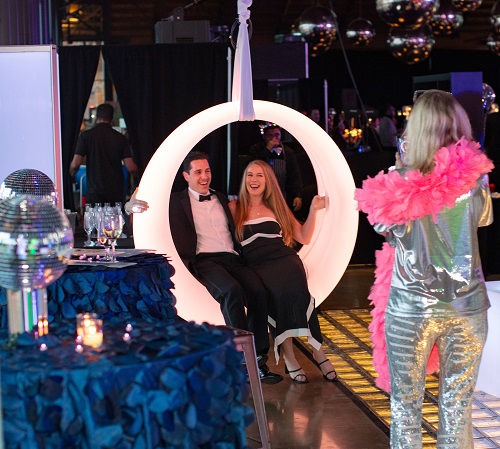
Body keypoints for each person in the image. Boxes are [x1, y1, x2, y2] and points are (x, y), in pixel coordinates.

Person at [355, 90, 493, 449]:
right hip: (467, 307)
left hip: (411, 310)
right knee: (457, 407)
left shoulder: (395, 183)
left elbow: (383, 229)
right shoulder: (475, 178)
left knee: (405, 407)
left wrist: (403, 165)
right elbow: (484, 219)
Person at [124, 151, 283, 384]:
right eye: (198, 172)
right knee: (231, 291)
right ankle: (239, 359)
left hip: (233, 258)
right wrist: (129, 207)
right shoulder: (174, 202)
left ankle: (258, 359)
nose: (204, 176)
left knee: (259, 292)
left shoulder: (221, 198)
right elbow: (140, 213)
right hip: (205, 261)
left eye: (207, 171)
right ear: (186, 176)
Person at [229, 159, 337, 384]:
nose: (254, 180)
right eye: (250, 175)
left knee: (299, 295)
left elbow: (303, 237)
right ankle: (289, 357)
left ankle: (317, 351)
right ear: (244, 179)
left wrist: (313, 210)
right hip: (258, 266)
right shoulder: (234, 208)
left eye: (260, 175)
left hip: (285, 260)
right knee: (274, 298)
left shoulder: (276, 206)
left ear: (268, 181)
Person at [69, 103, 139, 206]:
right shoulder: (120, 138)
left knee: (95, 221)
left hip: (94, 191)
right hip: (115, 192)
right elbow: (131, 167)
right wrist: (140, 176)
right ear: (111, 119)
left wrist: (69, 176)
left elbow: (75, 164)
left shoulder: (86, 136)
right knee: (115, 220)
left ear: (97, 117)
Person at [249, 123, 304, 214]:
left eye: (277, 135)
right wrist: (268, 149)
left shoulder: (288, 152)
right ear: (264, 137)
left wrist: (298, 195)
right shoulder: (256, 149)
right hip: (262, 192)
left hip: (282, 193)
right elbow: (253, 166)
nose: (274, 138)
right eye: (270, 135)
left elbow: (294, 175)